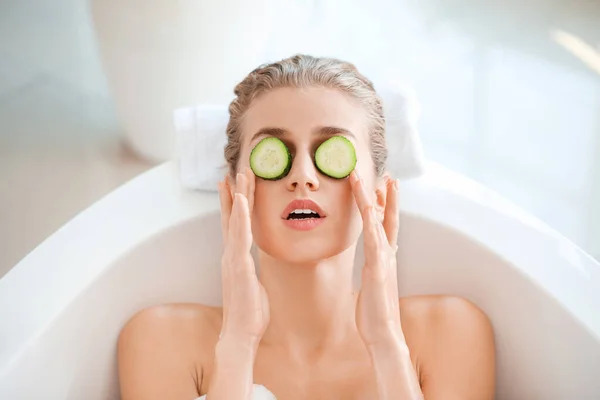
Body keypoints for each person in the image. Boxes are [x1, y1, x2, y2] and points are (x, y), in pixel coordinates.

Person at [117, 54, 496, 399]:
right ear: (235, 195)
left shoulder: (449, 332)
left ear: (379, 198)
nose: (302, 176)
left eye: (331, 152)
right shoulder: (162, 340)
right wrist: (237, 344)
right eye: (274, 154)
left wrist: (386, 342)